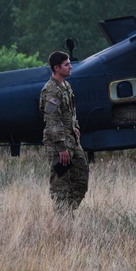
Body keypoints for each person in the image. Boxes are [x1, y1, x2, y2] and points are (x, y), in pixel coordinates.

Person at [40, 51, 89, 211]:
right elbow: (52, 119)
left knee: (81, 179)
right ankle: (62, 220)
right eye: (66, 64)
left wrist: (75, 128)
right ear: (56, 67)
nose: (70, 67)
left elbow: (69, 112)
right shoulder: (51, 90)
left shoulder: (66, 86)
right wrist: (61, 148)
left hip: (72, 139)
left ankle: (68, 212)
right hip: (58, 143)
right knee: (61, 183)